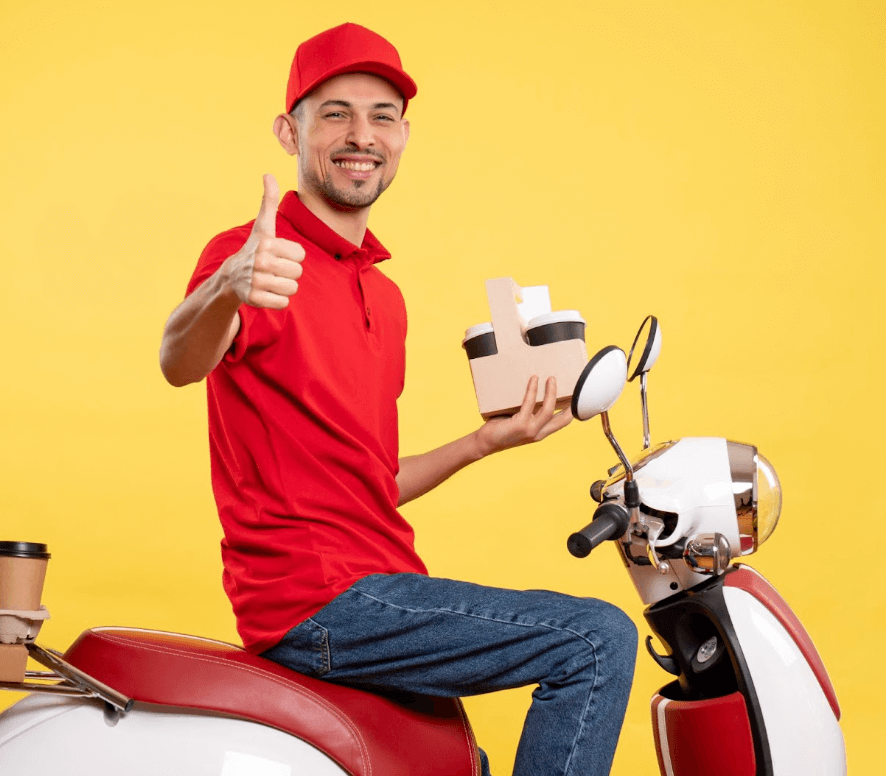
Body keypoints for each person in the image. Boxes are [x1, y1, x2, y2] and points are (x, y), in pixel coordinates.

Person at [159, 23, 637, 776]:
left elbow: (369, 483)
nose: (362, 135)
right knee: (594, 639)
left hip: (382, 589)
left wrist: (484, 443)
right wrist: (224, 288)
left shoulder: (385, 294)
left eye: (381, 115)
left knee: (462, 766)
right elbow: (179, 362)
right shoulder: (258, 256)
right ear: (291, 131)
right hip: (317, 602)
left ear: (404, 137)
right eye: (336, 113)